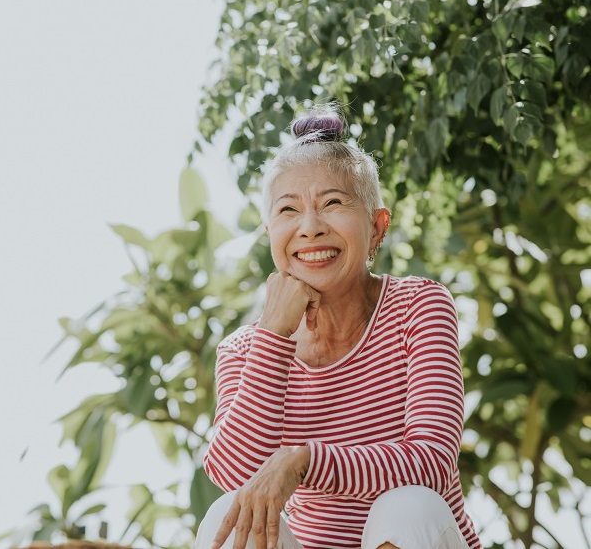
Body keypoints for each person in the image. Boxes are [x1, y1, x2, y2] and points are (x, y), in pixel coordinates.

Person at [195, 105, 482, 549]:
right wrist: (273, 336)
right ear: (270, 232)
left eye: (333, 203)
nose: (310, 228)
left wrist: (303, 461)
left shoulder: (418, 306)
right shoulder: (243, 349)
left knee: (407, 506)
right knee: (229, 516)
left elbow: (432, 461)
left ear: (376, 227)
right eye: (289, 210)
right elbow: (233, 475)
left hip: (417, 537)